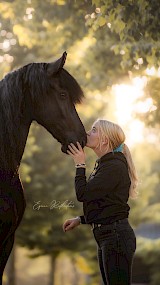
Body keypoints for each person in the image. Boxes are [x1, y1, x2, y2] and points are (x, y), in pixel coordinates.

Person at [63, 118, 138, 285]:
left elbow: (83, 194)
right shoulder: (106, 165)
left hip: (115, 237)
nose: (88, 133)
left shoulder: (114, 166)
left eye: (94, 130)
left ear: (105, 139)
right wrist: (80, 219)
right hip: (108, 236)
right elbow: (105, 203)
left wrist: (80, 164)